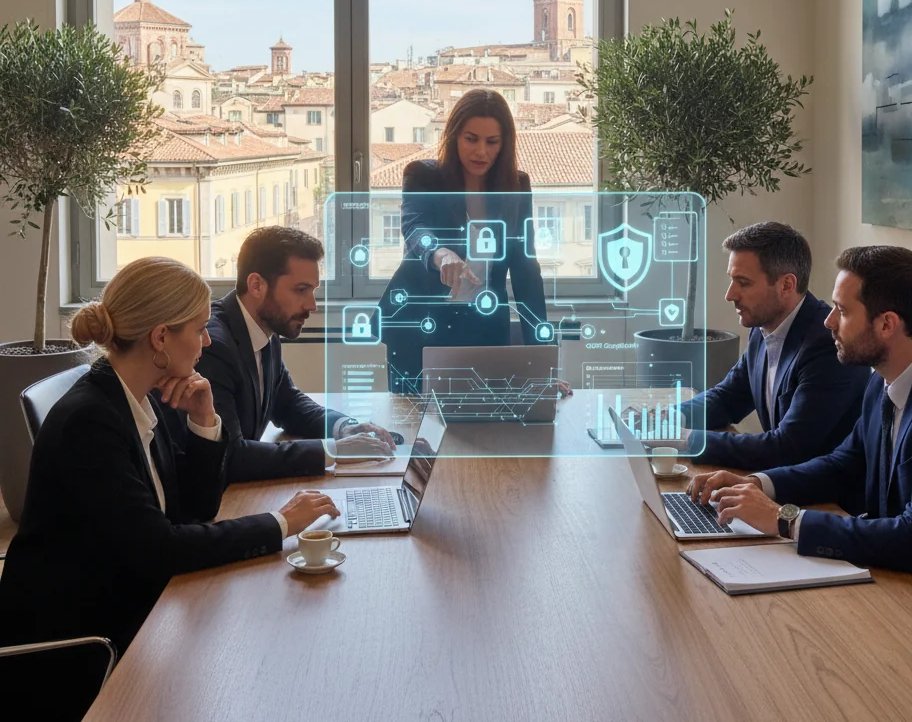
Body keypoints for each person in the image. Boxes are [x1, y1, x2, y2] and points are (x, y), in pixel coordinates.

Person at [0, 257, 340, 720]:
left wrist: (204, 420)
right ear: (160, 338)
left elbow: (194, 509)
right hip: (81, 640)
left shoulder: (140, 398)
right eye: (199, 329)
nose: (207, 340)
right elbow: (163, 548)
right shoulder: (91, 422)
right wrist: (281, 522)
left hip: (135, 600)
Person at [689, 245, 912, 651]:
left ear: (886, 324)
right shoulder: (886, 378)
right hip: (902, 589)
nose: (828, 321)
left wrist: (783, 520)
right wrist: (760, 485)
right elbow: (842, 465)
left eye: (842, 311)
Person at [629, 223, 868, 470]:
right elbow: (729, 398)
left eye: (743, 283)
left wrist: (682, 438)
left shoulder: (827, 345)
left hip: (823, 498)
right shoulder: (763, 325)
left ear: (786, 285)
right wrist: (666, 418)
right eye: (732, 280)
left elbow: (787, 448)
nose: (730, 294)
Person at [379, 89, 564, 395]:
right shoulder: (423, 176)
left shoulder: (517, 186)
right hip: (418, 321)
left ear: (504, 143)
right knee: (415, 427)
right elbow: (414, 228)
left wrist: (543, 365)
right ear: (454, 136)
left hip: (484, 323)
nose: (481, 151)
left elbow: (526, 274)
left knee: (483, 427)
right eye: (471, 139)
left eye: (492, 142)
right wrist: (441, 254)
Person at [199, 227, 396, 483]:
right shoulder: (215, 346)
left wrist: (344, 428)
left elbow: (288, 404)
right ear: (256, 285)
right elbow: (232, 456)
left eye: (313, 290)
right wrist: (332, 451)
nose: (312, 305)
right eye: (301, 290)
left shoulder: (265, 328)